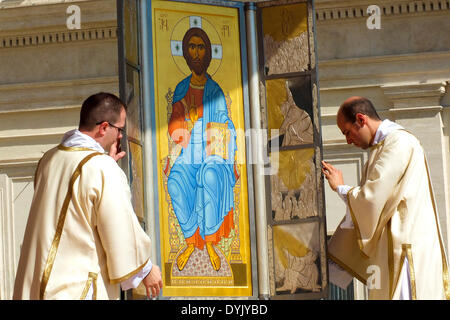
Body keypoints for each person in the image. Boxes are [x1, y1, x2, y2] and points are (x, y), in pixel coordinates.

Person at [13, 92, 163, 300]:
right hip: (75, 289)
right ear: (103, 128)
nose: (120, 135)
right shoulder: (101, 168)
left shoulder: (49, 160)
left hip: (35, 286)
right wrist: (146, 269)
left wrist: (104, 164)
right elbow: (118, 225)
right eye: (120, 129)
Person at [322, 96, 449, 300]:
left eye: (347, 132)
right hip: (392, 248)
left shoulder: (399, 142)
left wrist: (340, 187)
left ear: (361, 119)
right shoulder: (382, 147)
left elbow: (372, 199)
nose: (348, 140)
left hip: (406, 251)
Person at [167, 27, 237, 272]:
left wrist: (205, 126)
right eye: (192, 47)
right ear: (185, 53)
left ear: (207, 53)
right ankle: (190, 240)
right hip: (189, 150)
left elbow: (224, 125)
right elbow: (174, 127)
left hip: (212, 151)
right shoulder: (181, 89)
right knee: (175, 181)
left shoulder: (214, 91)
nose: (196, 53)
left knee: (209, 175)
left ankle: (209, 242)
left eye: (201, 47)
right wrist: (186, 123)